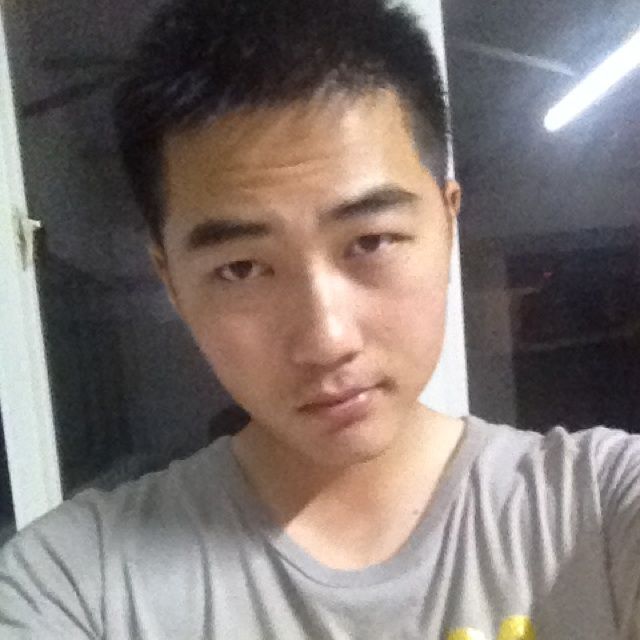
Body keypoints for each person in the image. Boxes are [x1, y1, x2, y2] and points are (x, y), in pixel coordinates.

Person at [1, 1, 639, 638]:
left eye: (371, 241)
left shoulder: (602, 505)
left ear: (448, 224)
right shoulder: (72, 585)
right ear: (171, 280)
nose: (327, 340)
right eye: (242, 268)